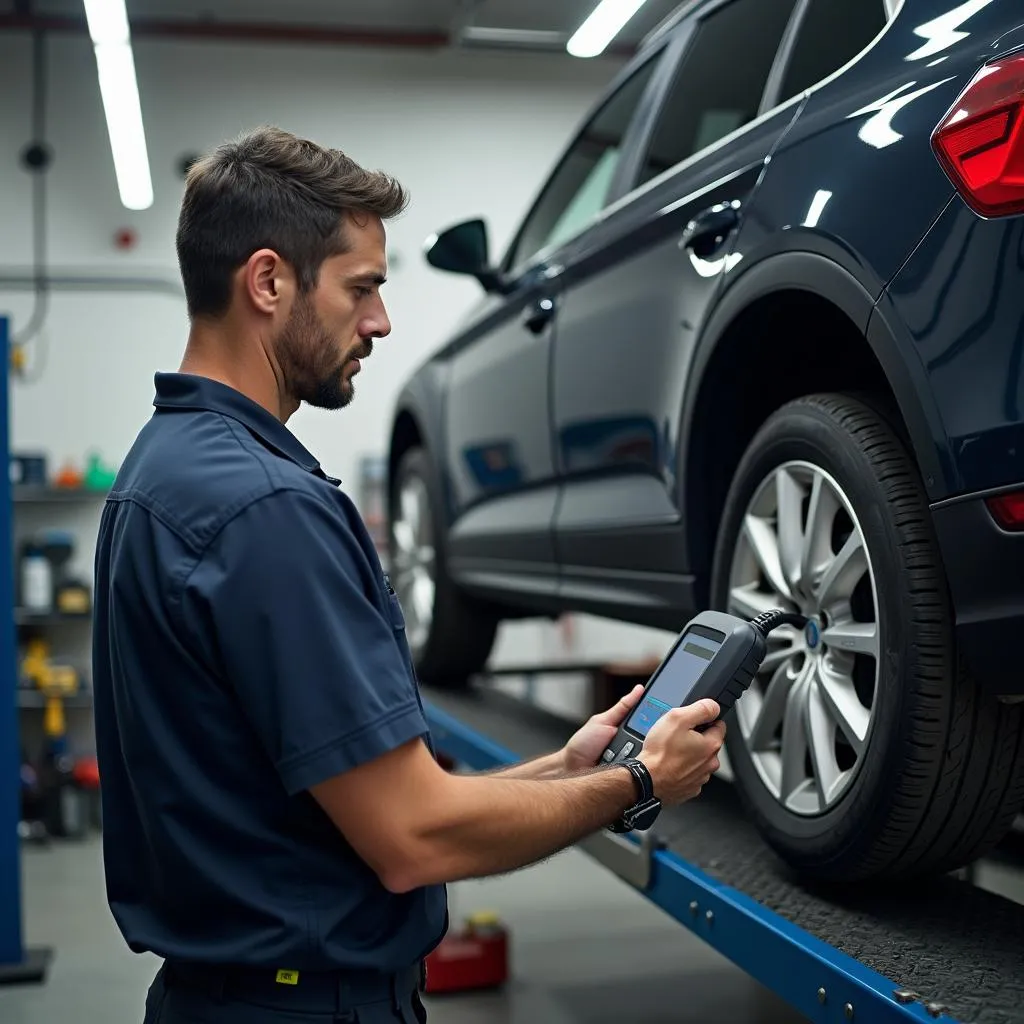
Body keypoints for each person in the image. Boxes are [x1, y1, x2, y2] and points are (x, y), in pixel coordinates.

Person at [91, 125, 727, 1024]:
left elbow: (370, 802)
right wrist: (636, 784)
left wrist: (562, 767)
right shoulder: (265, 510)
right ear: (268, 282)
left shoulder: (162, 472)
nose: (381, 322)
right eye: (362, 289)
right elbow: (410, 839)